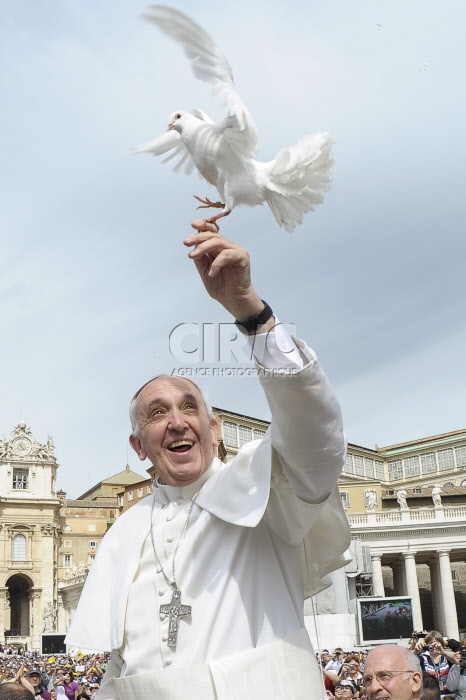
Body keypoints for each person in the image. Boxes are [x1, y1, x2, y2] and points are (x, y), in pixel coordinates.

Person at [66, 222, 351, 699]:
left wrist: (251, 313)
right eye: (158, 414)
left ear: (214, 431)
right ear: (139, 448)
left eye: (189, 407)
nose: (177, 422)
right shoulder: (125, 531)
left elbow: (315, 431)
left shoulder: (267, 487)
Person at [415, 631, 456, 697]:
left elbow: (459, 658)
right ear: (426, 645)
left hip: (449, 695)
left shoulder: (447, 657)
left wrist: (443, 652)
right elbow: (408, 662)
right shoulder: (423, 658)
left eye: (436, 642)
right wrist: (415, 652)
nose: (434, 645)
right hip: (430, 696)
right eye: (430, 643)